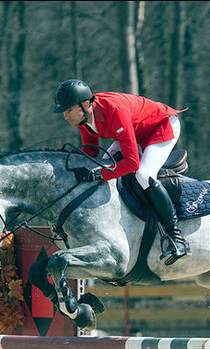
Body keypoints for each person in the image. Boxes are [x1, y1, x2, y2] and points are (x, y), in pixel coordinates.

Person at [52, 79, 189, 265]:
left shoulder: (113, 110)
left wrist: (100, 174)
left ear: (85, 105)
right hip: (136, 130)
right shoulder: (83, 118)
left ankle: (177, 238)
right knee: (103, 165)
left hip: (162, 126)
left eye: (68, 110)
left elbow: (132, 163)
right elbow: (90, 153)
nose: (65, 116)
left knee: (143, 175)